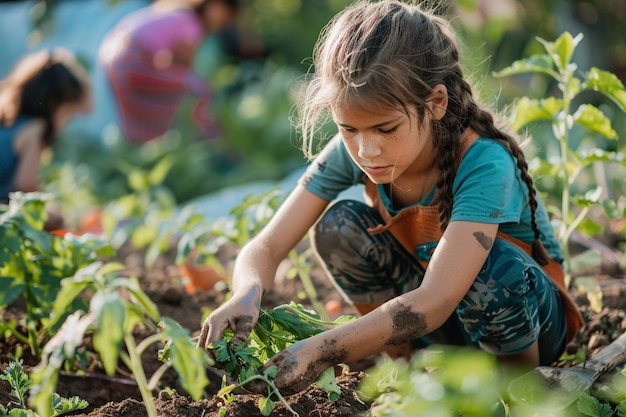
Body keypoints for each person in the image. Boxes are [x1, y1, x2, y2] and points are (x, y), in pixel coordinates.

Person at [197, 0, 584, 395]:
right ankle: (408, 369)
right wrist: (245, 295)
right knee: (340, 226)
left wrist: (321, 350)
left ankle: (517, 388)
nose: (366, 151)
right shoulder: (363, 149)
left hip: (528, 326)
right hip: (437, 324)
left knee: (492, 269)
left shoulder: (484, 162)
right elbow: (266, 245)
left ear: (435, 103)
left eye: (385, 129)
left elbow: (435, 299)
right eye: (349, 129)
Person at [99, 0, 239, 143]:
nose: (223, 22)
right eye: (225, 13)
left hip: (110, 55)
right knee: (199, 89)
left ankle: (144, 149)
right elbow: (185, 67)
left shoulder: (172, 10)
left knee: (142, 111)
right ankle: (214, 143)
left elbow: (164, 62)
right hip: (131, 58)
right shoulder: (192, 22)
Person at [0, 48, 92, 228]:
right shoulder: (36, 129)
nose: (65, 124)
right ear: (53, 105)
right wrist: (51, 210)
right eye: (67, 115)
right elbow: (26, 184)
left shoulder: (12, 122)